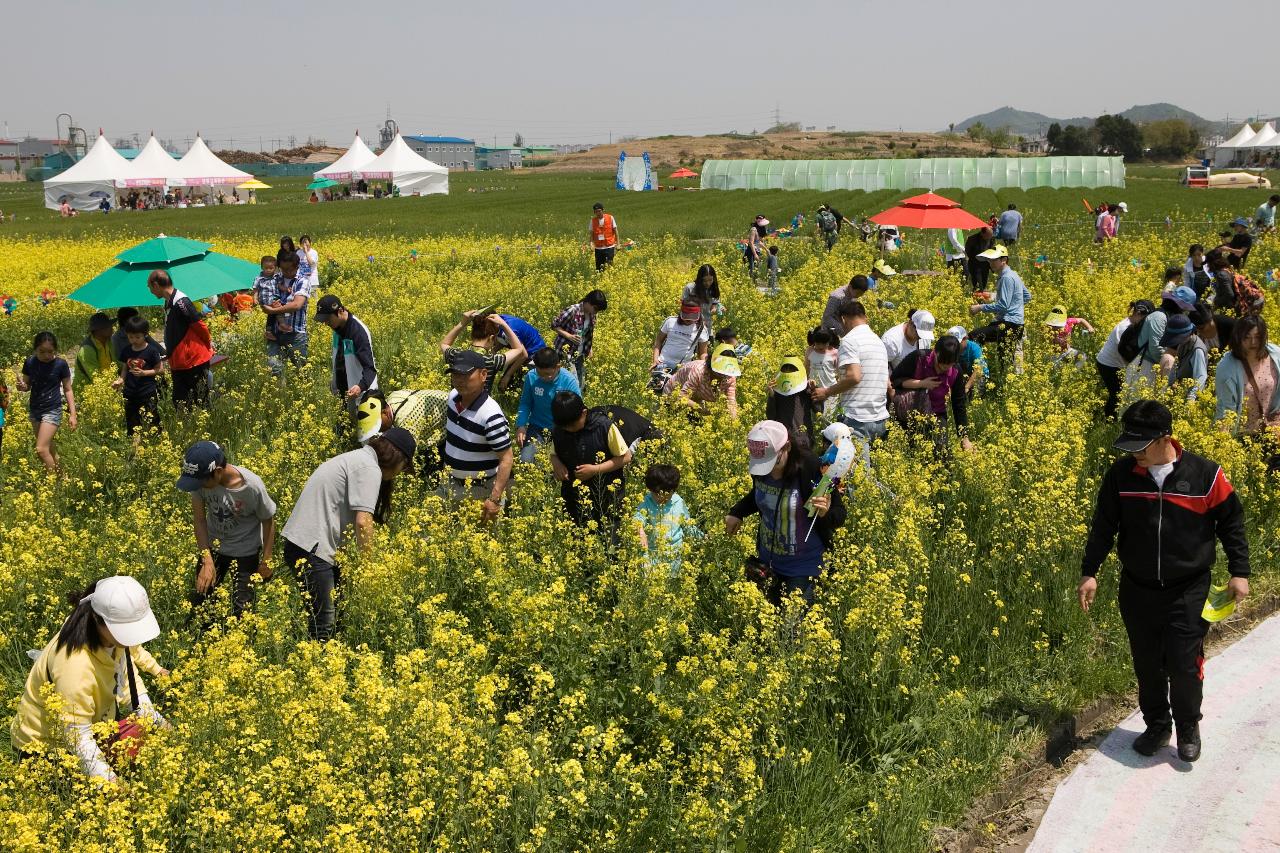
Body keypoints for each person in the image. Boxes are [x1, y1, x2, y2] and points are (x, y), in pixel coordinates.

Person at [1079, 400, 1250, 763]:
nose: (1133, 454)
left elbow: (1232, 523)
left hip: (1188, 588)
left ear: (1164, 439)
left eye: (1139, 446)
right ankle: (1157, 723)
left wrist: (1240, 572)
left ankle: (1188, 725)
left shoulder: (1205, 475)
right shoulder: (1121, 476)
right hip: (1137, 587)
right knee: (1146, 661)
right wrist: (1090, 572)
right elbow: (1103, 526)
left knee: (1183, 661)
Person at [11, 576, 168, 783]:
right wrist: (112, 785)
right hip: (46, 749)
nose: (131, 639)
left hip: (92, 728)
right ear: (97, 619)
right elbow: (77, 736)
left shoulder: (109, 635)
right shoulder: (74, 665)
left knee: (150, 738)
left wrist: (157, 721)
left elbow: (127, 676)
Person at [281, 429, 416, 640]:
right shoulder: (369, 467)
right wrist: (369, 568)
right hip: (313, 548)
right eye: (405, 467)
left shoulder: (358, 458)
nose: (401, 473)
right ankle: (319, 667)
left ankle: (328, 660)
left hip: (305, 544)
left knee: (337, 611)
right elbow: (363, 522)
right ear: (398, 458)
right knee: (324, 621)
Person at [726, 421, 847, 607]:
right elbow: (760, 495)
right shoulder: (761, 470)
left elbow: (839, 514)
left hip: (804, 566)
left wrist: (825, 512)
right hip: (768, 563)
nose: (769, 469)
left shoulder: (811, 468)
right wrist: (738, 512)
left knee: (792, 629)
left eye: (773, 461)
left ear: (787, 447)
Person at [175, 441, 277, 620]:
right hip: (214, 548)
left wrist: (267, 559)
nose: (197, 486)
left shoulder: (252, 486)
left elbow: (268, 521)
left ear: (218, 472)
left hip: (245, 552)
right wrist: (207, 560)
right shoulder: (200, 482)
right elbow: (199, 520)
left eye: (200, 482)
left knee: (242, 611)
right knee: (202, 602)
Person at [439, 350, 514, 523]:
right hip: (449, 483)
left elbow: (506, 459)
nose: (459, 380)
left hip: (479, 490)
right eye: (455, 375)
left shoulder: (491, 415)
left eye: (465, 375)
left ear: (483, 375)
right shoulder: (452, 398)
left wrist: (494, 499)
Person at [549, 391, 635, 543]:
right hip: (573, 496)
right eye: (565, 427)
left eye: (573, 425)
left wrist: (595, 470)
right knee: (578, 542)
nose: (569, 430)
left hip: (607, 496)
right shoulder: (559, 428)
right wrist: (557, 465)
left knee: (610, 542)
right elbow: (553, 453)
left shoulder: (603, 426)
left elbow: (625, 457)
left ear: (584, 412)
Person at [812, 299, 890, 451]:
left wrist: (826, 392)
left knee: (855, 472)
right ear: (865, 317)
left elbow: (854, 376)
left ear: (843, 319)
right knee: (872, 472)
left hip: (857, 419)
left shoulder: (850, 340)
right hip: (880, 418)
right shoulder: (878, 341)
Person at [890, 335, 974, 454]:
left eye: (948, 366)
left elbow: (958, 404)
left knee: (942, 453)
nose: (942, 369)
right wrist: (921, 383)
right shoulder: (919, 357)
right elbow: (895, 381)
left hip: (937, 414)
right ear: (935, 351)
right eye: (940, 364)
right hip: (908, 413)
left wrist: (964, 437)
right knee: (912, 452)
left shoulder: (956, 371)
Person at [147, 270, 211, 410]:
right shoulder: (168, 301)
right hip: (180, 361)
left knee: (200, 401)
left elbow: (200, 327)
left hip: (193, 361)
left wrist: (208, 346)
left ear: (156, 285)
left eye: (150, 287)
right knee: (180, 403)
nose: (150, 291)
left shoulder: (181, 302)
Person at [1213, 315, 1280, 446]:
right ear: (1238, 338)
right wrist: (1222, 444)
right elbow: (1225, 408)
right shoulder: (1227, 367)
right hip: (1245, 437)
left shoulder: (1276, 355)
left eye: (1258, 337)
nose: (1253, 342)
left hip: (1275, 433)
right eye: (1247, 338)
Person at [18, 331, 76, 471]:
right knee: (49, 448)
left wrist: (73, 414)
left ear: (55, 349)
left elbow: (68, 389)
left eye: (50, 351)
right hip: (35, 409)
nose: (46, 356)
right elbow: (26, 386)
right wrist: (22, 387)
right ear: (35, 349)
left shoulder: (60, 364)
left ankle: (52, 485)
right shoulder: (30, 362)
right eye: (41, 351)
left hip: (52, 409)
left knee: (41, 449)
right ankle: (62, 477)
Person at [968, 245, 1031, 374]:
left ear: (1004, 260)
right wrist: (1015, 306)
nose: (990, 263)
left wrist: (980, 307)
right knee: (1006, 359)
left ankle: (980, 372)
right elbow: (1027, 296)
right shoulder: (1013, 275)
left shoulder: (1006, 278)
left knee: (974, 337)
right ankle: (1005, 383)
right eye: (989, 260)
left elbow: (1003, 305)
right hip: (1016, 323)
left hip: (1009, 324)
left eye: (993, 260)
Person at [633, 463, 700, 577]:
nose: (660, 497)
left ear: (673, 490)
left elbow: (688, 526)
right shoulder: (646, 502)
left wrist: (703, 538)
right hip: (651, 559)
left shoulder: (678, 502)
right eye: (656, 493)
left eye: (665, 494)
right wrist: (640, 530)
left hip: (675, 559)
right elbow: (638, 518)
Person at [516, 348, 581, 463]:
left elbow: (577, 409)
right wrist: (521, 425)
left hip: (563, 428)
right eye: (539, 373)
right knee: (526, 461)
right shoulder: (531, 376)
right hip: (537, 427)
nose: (543, 378)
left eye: (547, 374)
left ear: (558, 366)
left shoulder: (569, 380)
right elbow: (525, 403)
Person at [315, 295, 377, 415]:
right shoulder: (337, 329)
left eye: (328, 319)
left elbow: (370, 368)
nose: (325, 323)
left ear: (340, 311)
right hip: (344, 393)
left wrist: (360, 387)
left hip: (361, 395)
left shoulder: (358, 332)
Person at [441, 309, 527, 393]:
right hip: (481, 406)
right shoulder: (490, 361)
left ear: (472, 334)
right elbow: (519, 349)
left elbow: (444, 344)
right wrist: (503, 324)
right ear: (492, 338)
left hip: (456, 406)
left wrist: (462, 323)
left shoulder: (455, 355)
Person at [1095, 300, 1153, 419]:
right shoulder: (1124, 327)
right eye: (1145, 318)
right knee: (1117, 394)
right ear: (1137, 313)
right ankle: (1109, 419)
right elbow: (1124, 352)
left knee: (1119, 392)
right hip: (1108, 364)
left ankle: (1113, 417)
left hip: (1116, 363)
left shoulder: (1135, 325)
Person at [111, 315, 164, 440]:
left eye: (137, 337)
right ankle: (135, 446)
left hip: (147, 392)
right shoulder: (127, 350)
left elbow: (160, 370)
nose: (134, 340)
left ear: (145, 334)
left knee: (152, 418)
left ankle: (156, 441)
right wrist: (121, 380)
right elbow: (125, 368)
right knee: (132, 421)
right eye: (130, 337)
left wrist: (144, 373)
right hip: (130, 392)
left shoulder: (151, 350)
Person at [260, 254, 312, 378]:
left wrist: (273, 310)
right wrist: (266, 304)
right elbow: (264, 297)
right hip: (275, 333)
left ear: (297, 266)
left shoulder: (302, 281)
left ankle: (301, 394)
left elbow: (296, 305)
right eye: (283, 269)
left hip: (295, 333)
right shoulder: (275, 278)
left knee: (301, 372)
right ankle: (279, 394)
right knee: (274, 370)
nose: (287, 272)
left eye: (290, 269)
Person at [662, 344, 740, 420]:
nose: (723, 375)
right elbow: (682, 397)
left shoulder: (730, 376)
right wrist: (703, 409)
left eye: (725, 372)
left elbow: (731, 401)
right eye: (720, 371)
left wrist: (733, 422)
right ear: (711, 365)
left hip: (695, 399)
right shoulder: (698, 372)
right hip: (673, 396)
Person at [552, 290, 607, 390]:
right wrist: (569, 336)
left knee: (581, 385)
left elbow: (587, 333)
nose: (596, 312)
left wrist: (590, 349)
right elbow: (555, 325)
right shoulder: (572, 310)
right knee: (574, 384)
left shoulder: (592, 314)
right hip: (566, 353)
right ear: (588, 302)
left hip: (580, 353)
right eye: (595, 308)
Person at [766, 356, 817, 448]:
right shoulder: (778, 392)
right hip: (784, 440)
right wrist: (771, 395)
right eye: (786, 370)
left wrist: (814, 391)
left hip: (804, 439)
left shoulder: (805, 390)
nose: (789, 374)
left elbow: (818, 409)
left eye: (792, 370)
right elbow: (771, 416)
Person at [652, 300, 709, 375]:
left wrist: (704, 369)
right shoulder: (670, 321)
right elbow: (658, 341)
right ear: (681, 313)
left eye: (692, 317)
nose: (689, 319)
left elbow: (703, 353)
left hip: (684, 367)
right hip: (662, 363)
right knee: (657, 386)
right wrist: (655, 359)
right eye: (686, 316)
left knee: (678, 387)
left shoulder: (702, 329)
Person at [1160, 314, 1208, 401]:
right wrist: (1169, 386)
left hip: (1190, 398)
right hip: (1180, 393)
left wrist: (1191, 398)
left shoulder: (1197, 349)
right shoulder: (1183, 343)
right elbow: (1175, 366)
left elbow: (1201, 377)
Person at [73, 313, 116, 390]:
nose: (112, 328)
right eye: (108, 326)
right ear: (98, 330)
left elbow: (115, 362)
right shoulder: (87, 349)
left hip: (108, 386)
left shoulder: (108, 341)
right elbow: (95, 377)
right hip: (88, 392)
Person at [947, 325, 988, 401]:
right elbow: (948, 368)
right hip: (962, 375)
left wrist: (967, 387)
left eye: (957, 343)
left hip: (978, 375)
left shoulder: (974, 348)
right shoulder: (949, 349)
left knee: (974, 397)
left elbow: (978, 370)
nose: (955, 346)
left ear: (965, 338)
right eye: (952, 344)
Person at [805, 327, 840, 416]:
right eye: (818, 343)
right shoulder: (810, 351)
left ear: (829, 341)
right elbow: (807, 368)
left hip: (830, 390)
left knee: (828, 417)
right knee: (815, 418)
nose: (820, 346)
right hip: (813, 390)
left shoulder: (835, 353)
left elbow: (839, 372)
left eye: (824, 344)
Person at [681, 265, 723, 335]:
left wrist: (716, 309)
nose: (708, 283)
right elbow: (683, 305)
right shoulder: (690, 288)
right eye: (704, 280)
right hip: (690, 325)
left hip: (707, 325)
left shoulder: (713, 289)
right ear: (699, 279)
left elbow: (715, 304)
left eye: (710, 280)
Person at [252, 255, 282, 342]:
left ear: (275, 268)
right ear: (261, 267)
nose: (268, 270)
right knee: (271, 315)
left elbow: (280, 285)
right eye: (266, 268)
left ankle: (281, 327)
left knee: (277, 315)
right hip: (265, 301)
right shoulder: (259, 278)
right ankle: (268, 332)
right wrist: (255, 299)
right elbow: (255, 290)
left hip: (275, 301)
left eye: (271, 268)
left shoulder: (277, 277)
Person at [589, 202, 619, 270]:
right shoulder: (592, 221)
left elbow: (616, 231)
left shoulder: (610, 217)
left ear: (603, 210)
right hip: (598, 248)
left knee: (609, 267)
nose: (598, 213)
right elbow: (591, 234)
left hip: (609, 246)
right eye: (596, 211)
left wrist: (618, 244)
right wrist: (591, 244)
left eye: (599, 211)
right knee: (599, 268)